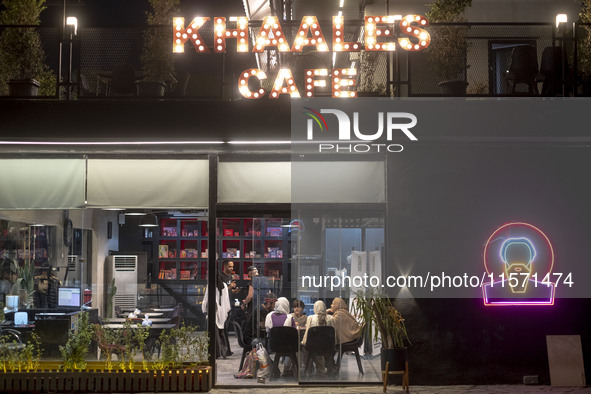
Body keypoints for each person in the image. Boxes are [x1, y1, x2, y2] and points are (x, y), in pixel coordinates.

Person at [202, 275, 232, 359]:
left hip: (214, 311)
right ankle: (224, 352)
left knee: (215, 333)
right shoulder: (225, 286)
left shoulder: (210, 285)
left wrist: (204, 309)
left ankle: (216, 353)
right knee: (221, 332)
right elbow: (227, 300)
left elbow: (206, 298)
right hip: (223, 311)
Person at [301, 300, 335, 375]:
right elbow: (333, 333)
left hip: (313, 346)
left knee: (305, 350)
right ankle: (321, 368)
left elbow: (307, 334)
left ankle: (310, 369)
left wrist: (303, 342)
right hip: (328, 346)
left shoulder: (310, 318)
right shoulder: (331, 318)